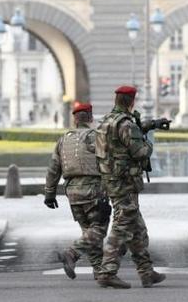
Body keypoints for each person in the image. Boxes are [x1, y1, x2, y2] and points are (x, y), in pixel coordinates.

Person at [94, 86, 165, 289]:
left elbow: (117, 142)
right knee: (121, 227)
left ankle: (146, 272)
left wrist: (148, 125)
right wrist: (148, 143)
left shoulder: (106, 121)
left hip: (111, 181)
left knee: (138, 230)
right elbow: (140, 152)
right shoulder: (125, 124)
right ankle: (107, 271)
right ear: (131, 101)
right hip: (125, 183)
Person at [44, 101, 110, 280]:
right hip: (93, 190)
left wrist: (49, 194)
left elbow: (53, 169)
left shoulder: (63, 140)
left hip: (72, 193)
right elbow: (109, 163)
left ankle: (99, 271)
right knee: (98, 229)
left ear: (74, 120)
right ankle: (72, 253)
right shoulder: (97, 136)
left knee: (88, 231)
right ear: (89, 117)